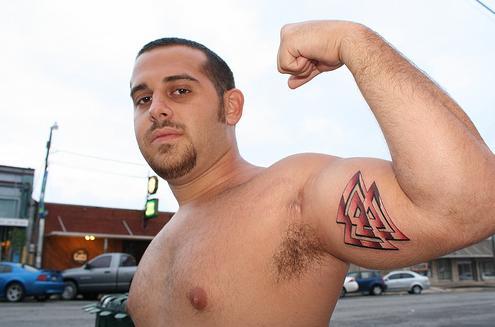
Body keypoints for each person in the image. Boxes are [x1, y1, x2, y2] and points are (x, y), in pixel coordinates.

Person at [127, 20, 495, 326]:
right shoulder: (158, 246)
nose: (156, 109)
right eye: (142, 98)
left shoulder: (292, 196)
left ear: (231, 106)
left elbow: (470, 204)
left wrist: (354, 41)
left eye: (179, 90)